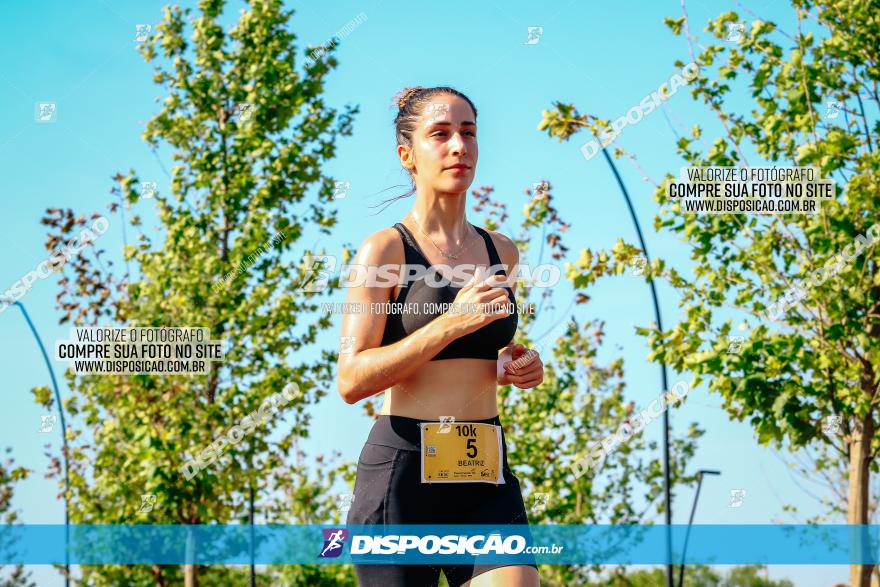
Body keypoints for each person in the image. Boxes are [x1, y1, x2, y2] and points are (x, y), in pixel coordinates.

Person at [336, 85, 544, 586]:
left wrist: (514, 364)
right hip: (403, 474)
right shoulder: (385, 250)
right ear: (407, 154)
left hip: (482, 467)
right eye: (441, 134)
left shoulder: (502, 252)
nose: (459, 146)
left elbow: (473, 353)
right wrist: (451, 322)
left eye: (469, 133)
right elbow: (352, 378)